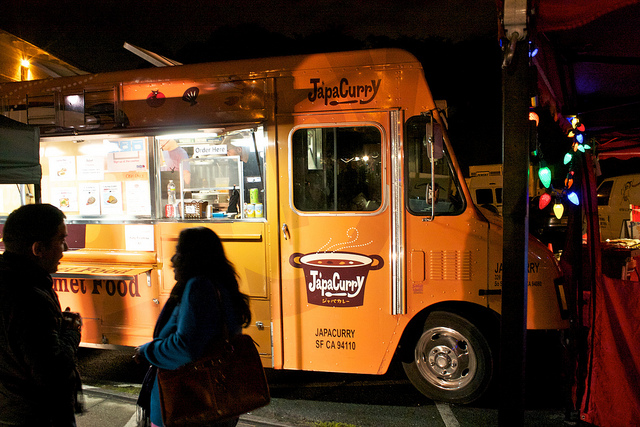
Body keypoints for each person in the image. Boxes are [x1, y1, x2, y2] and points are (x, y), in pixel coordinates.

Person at [135, 227, 251, 427]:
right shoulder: (222, 285)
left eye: (179, 252)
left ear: (194, 257)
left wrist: (146, 351)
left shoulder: (198, 287)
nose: (173, 260)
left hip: (187, 406)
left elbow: (186, 347)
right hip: (216, 403)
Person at [0, 203, 83, 426]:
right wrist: (71, 332)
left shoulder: (9, 281)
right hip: (37, 415)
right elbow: (52, 373)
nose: (65, 248)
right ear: (38, 249)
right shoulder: (30, 298)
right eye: (61, 240)